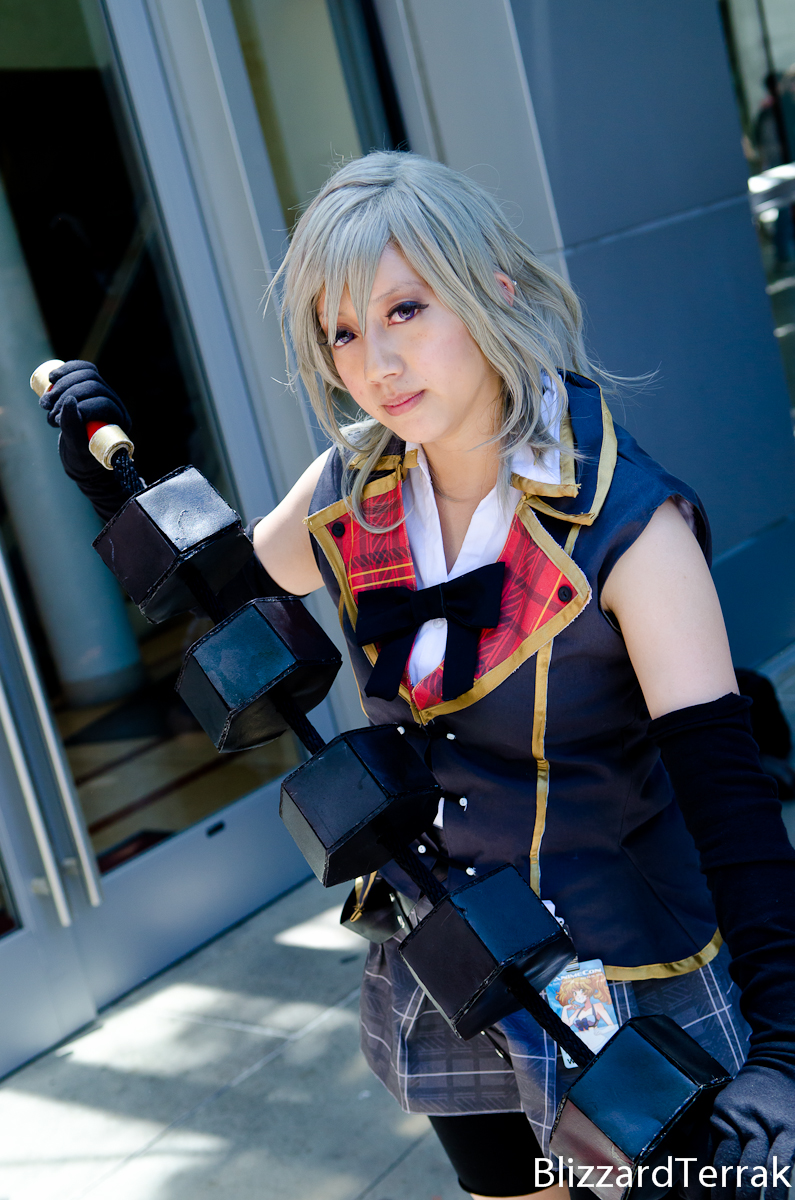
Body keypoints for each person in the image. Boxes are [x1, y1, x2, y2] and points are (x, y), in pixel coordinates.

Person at [42, 152, 795, 1200]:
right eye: (343, 332)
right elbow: (226, 596)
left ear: (492, 288)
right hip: (451, 965)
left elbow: (731, 804)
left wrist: (785, 1044)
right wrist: (117, 493)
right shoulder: (351, 488)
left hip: (626, 981)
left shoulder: (630, 525)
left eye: (405, 309)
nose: (377, 364)